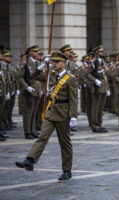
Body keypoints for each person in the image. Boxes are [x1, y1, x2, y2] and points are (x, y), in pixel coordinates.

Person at [15, 52, 78, 180]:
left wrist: (73, 116)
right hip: (50, 111)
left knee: (65, 143)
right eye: (52, 61)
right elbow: (33, 76)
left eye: (56, 62)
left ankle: (67, 170)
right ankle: (30, 160)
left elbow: (74, 99)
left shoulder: (70, 78)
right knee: (42, 137)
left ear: (64, 63)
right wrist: (43, 64)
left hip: (63, 113)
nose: (54, 64)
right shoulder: (51, 75)